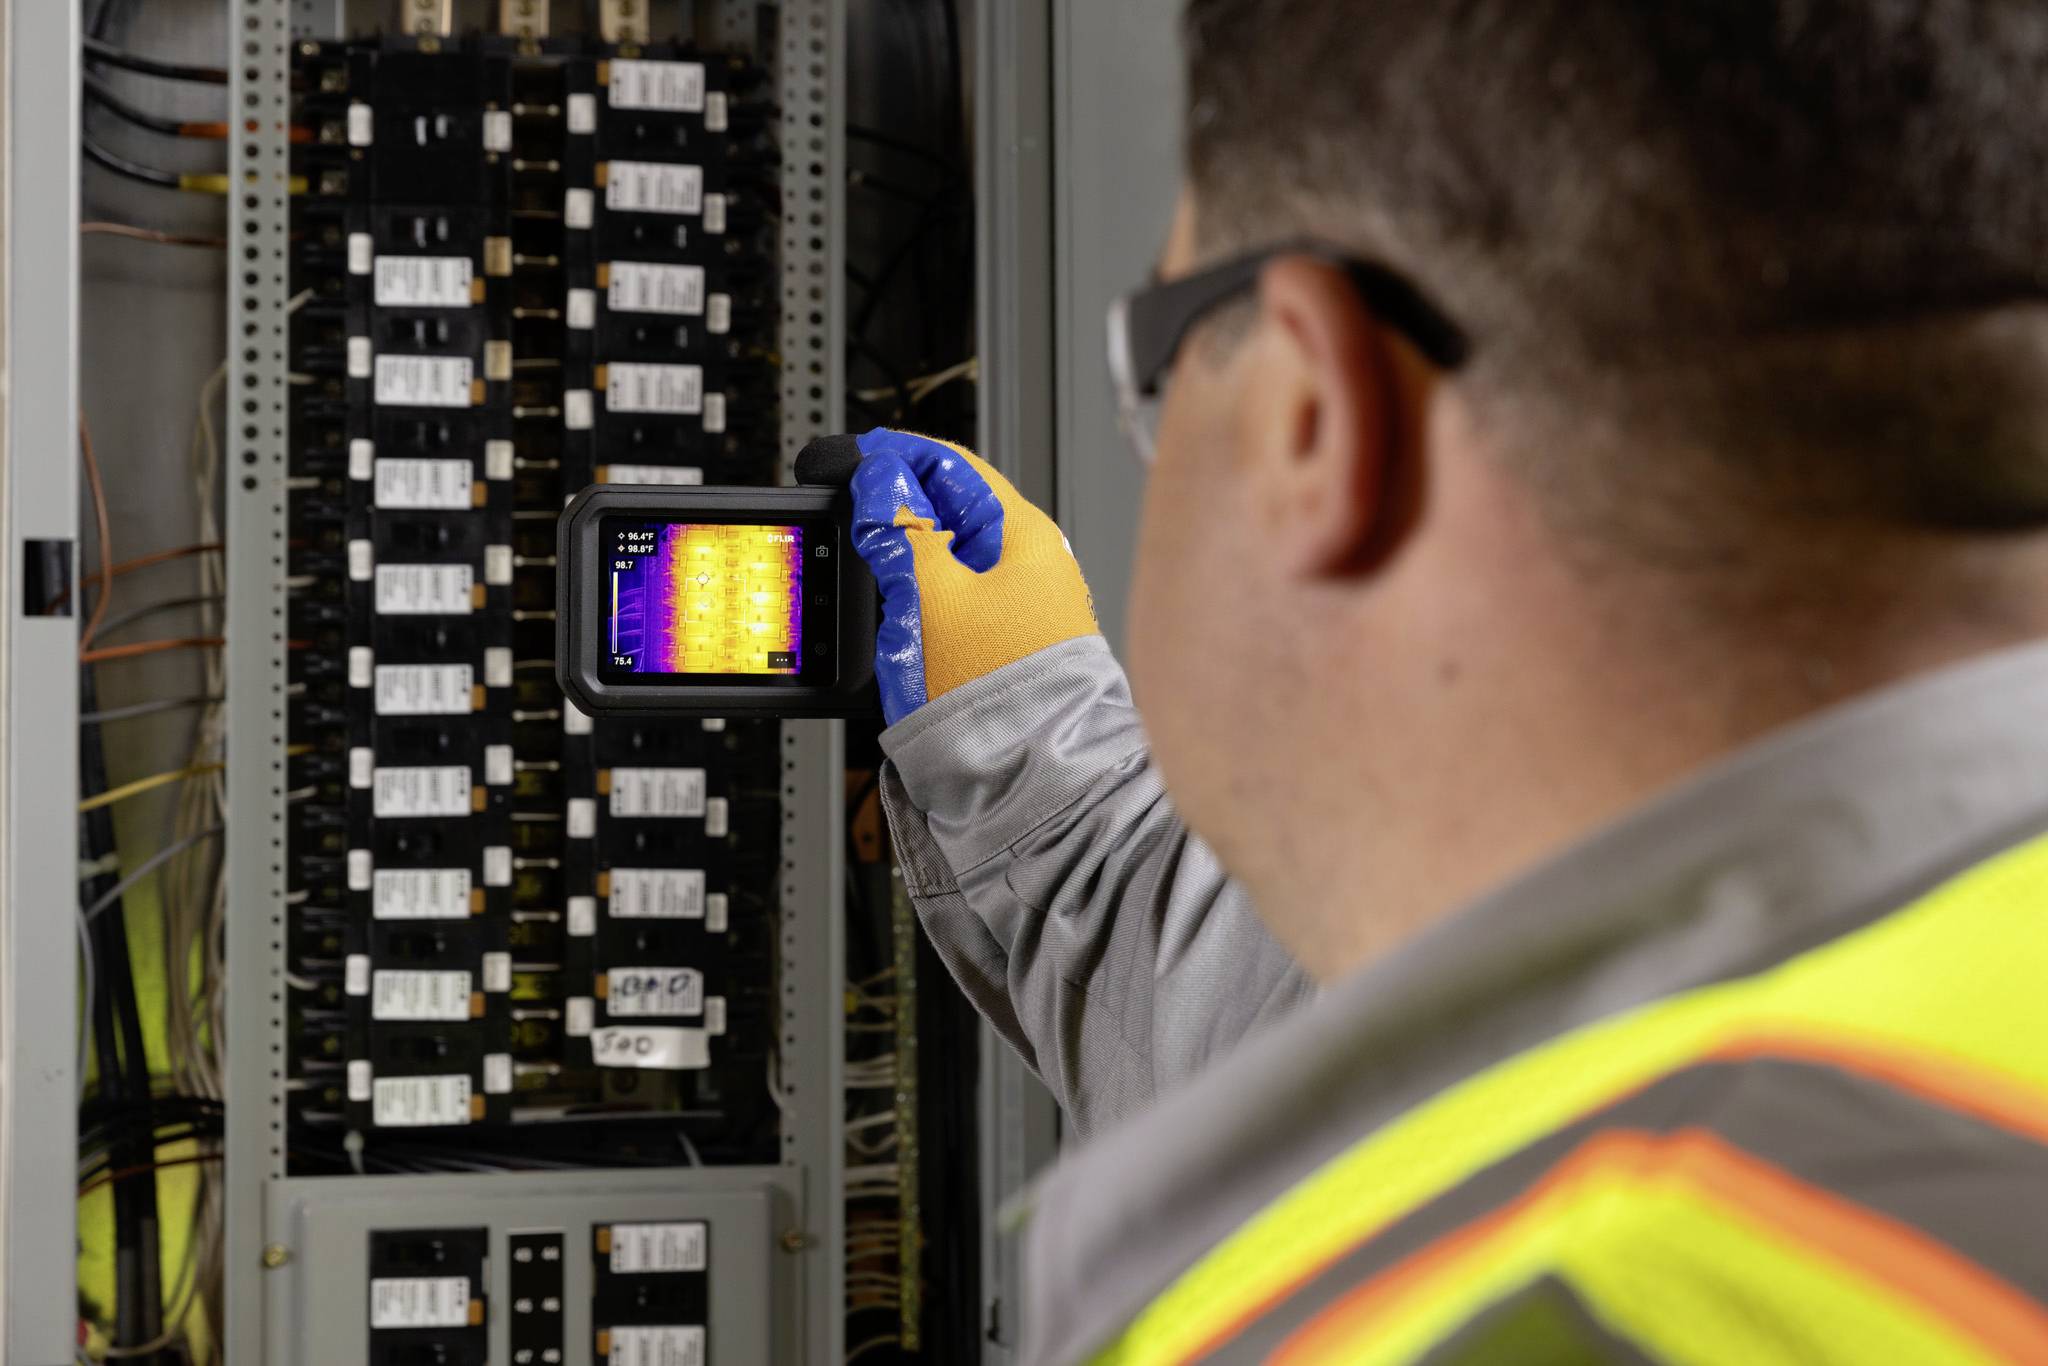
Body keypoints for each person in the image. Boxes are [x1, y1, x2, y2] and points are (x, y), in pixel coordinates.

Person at [845, 2, 2048, 1361]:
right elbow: (1341, 1030)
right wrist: (1014, 745)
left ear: (1312, 411)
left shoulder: (1527, 1308)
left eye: (1160, 365)